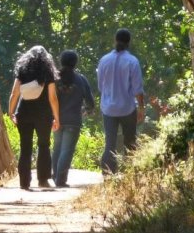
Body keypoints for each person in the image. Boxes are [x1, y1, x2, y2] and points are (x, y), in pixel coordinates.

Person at [8, 46, 60, 190]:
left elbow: (14, 93)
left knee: (25, 147)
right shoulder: (48, 72)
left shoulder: (22, 71)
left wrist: (11, 112)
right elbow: (53, 98)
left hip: (24, 113)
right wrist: (57, 118)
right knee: (44, 145)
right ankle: (43, 180)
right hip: (43, 114)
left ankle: (24, 182)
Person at [96, 29, 145, 174]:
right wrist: (141, 108)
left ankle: (108, 174)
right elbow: (137, 89)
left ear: (115, 40)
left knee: (109, 143)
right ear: (129, 42)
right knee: (130, 142)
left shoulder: (104, 60)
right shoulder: (132, 61)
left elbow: (100, 86)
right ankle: (130, 173)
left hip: (108, 109)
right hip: (127, 108)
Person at [52, 50, 95, 187]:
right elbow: (90, 102)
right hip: (73, 121)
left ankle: (54, 178)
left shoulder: (54, 79)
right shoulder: (81, 79)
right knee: (66, 150)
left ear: (61, 61)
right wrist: (87, 111)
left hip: (56, 119)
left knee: (57, 148)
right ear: (75, 63)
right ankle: (61, 180)